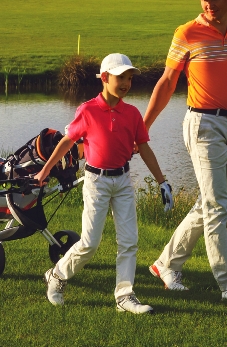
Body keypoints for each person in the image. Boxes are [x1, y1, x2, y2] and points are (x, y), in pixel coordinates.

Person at [143, 0, 227, 307]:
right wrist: (143, 127)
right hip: (202, 124)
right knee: (217, 206)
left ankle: (165, 263)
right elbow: (167, 82)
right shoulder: (187, 33)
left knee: (208, 203)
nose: (208, 3)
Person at [36, 53, 174, 314]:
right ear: (106, 77)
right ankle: (57, 276)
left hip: (122, 181)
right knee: (89, 243)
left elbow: (144, 149)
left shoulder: (132, 113)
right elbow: (67, 141)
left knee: (129, 241)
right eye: (121, 77)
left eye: (130, 78)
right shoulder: (87, 110)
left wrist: (162, 182)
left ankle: (124, 296)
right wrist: (45, 171)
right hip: (96, 181)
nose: (126, 83)